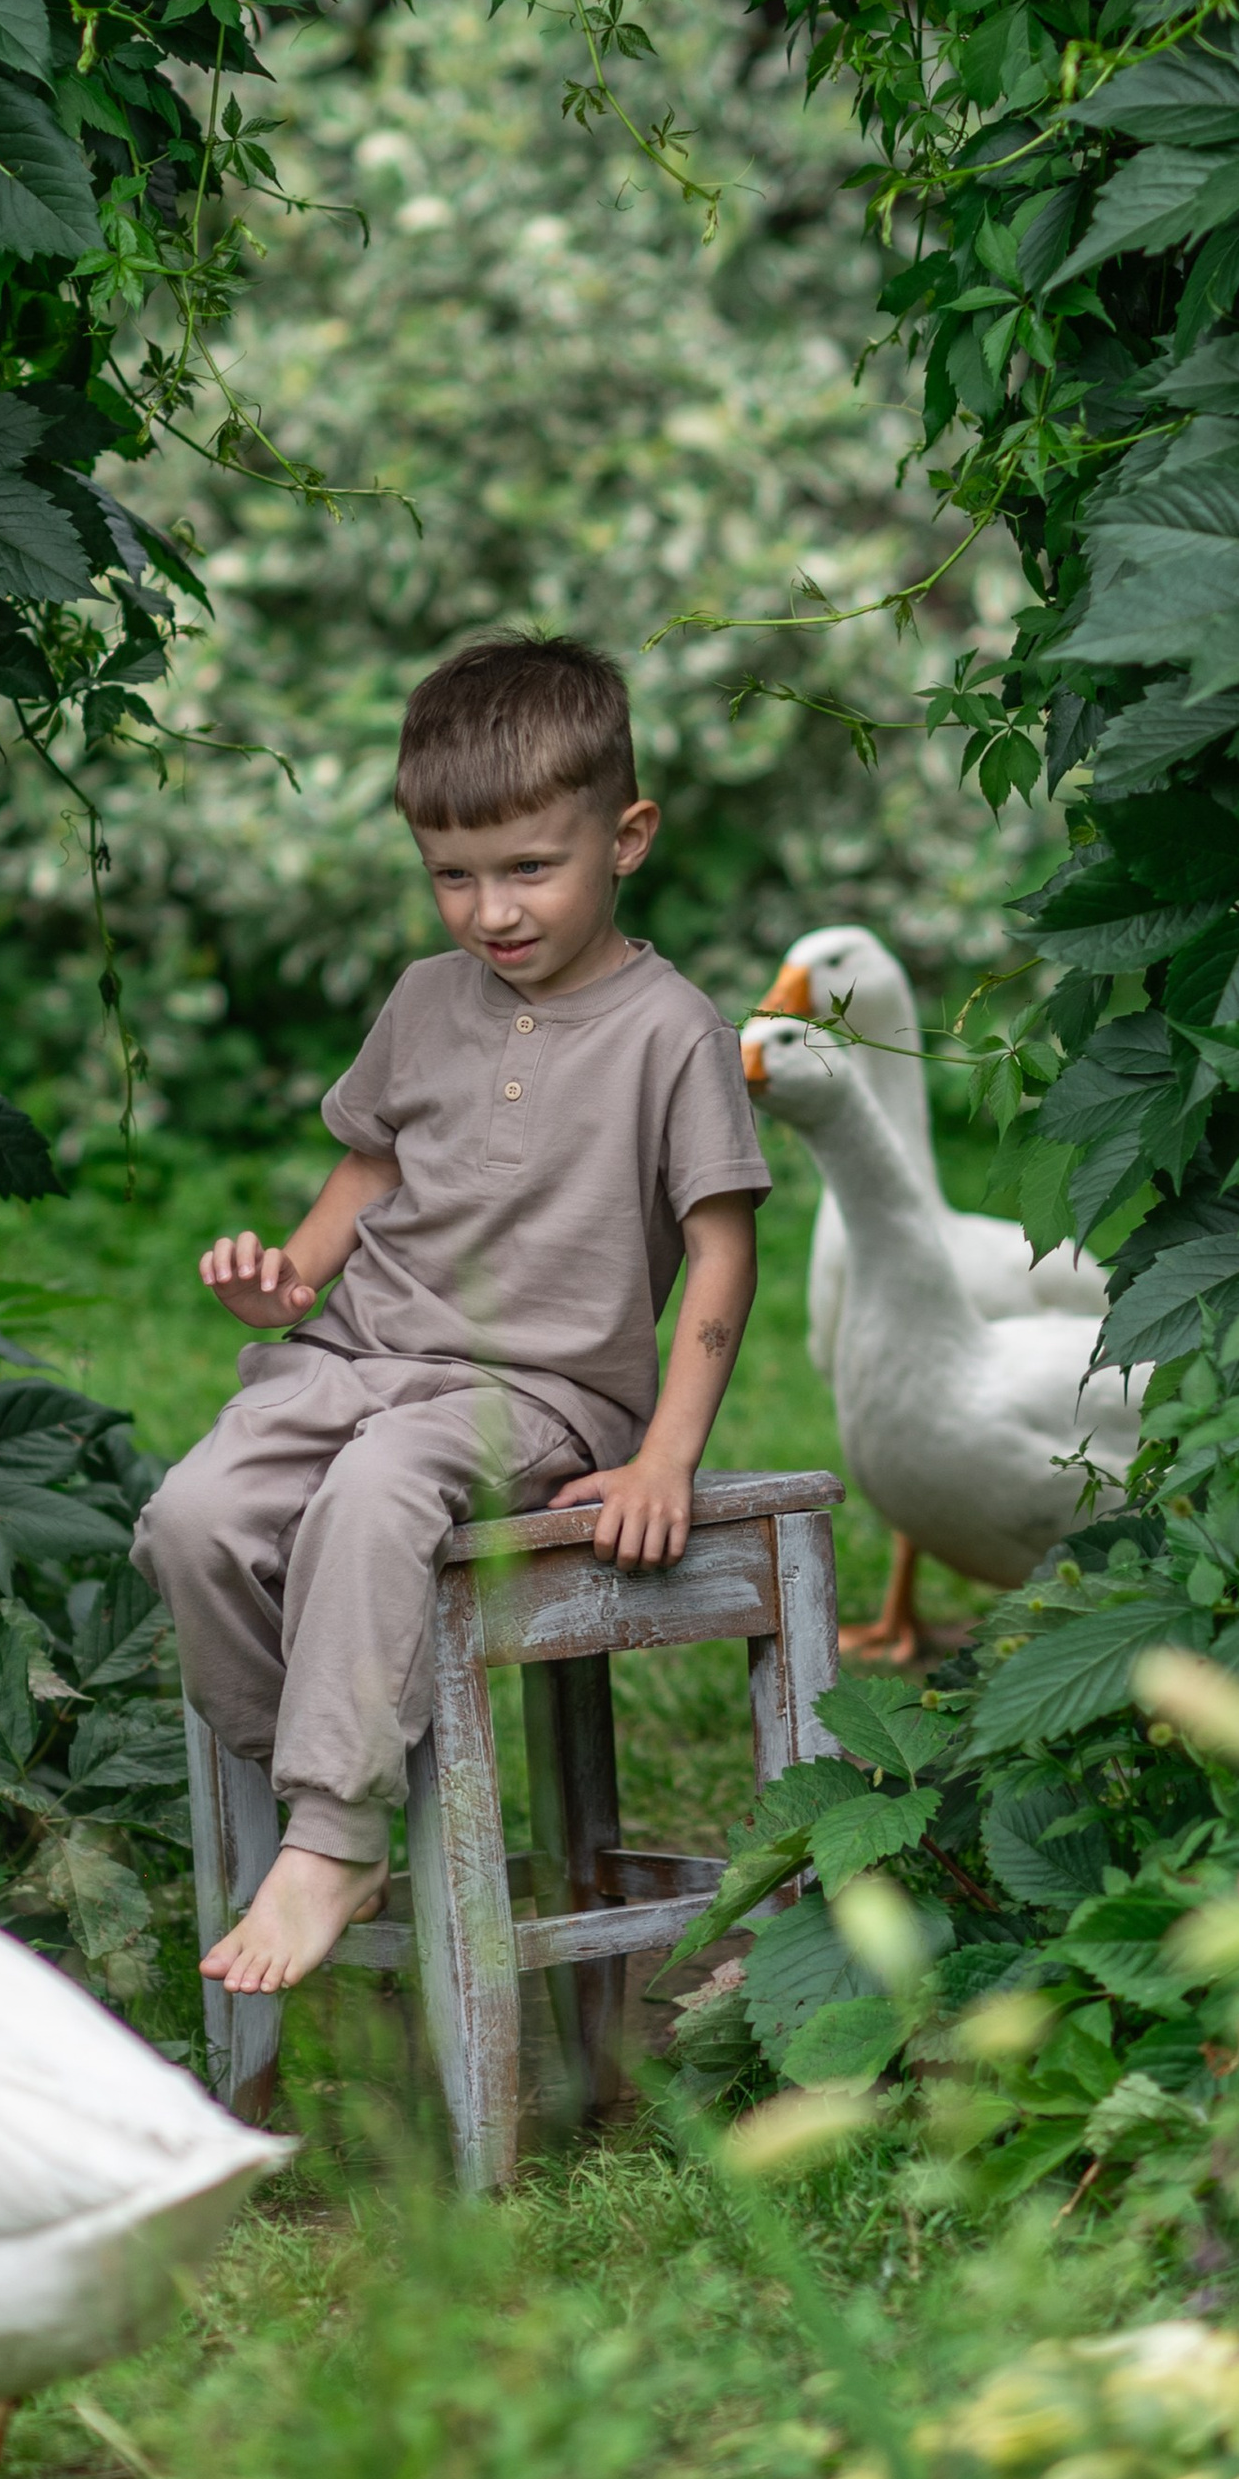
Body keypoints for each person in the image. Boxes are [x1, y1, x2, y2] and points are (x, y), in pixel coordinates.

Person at [132, 635, 768, 1997]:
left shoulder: (674, 1032)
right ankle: (342, 1782)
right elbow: (369, 1169)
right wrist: (291, 1279)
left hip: (531, 1391)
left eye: (530, 867)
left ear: (628, 835)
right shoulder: (426, 1002)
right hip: (357, 1350)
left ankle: (339, 1824)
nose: (491, 912)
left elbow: (722, 1251)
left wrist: (666, 1454)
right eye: (453, 877)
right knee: (189, 1521)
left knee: (376, 1494)